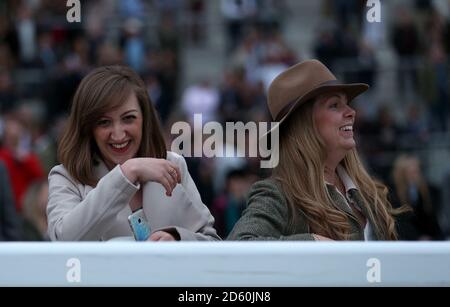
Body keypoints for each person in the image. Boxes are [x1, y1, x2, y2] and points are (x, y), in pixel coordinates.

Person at [228, 59, 403, 241]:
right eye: (335, 105)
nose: (352, 112)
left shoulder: (368, 191)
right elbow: (239, 246)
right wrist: (312, 243)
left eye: (347, 103)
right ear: (304, 125)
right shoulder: (278, 195)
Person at [47, 65, 220, 241]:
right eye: (104, 122)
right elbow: (64, 242)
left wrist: (177, 239)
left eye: (128, 118)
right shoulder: (66, 177)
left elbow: (212, 243)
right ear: (87, 127)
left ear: (145, 119)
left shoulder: (173, 164)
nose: (118, 134)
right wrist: (127, 173)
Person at [391, 155, 443, 240]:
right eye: (411, 172)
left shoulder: (428, 191)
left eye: (416, 171)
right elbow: (400, 221)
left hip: (428, 238)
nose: (415, 175)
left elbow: (431, 218)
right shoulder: (394, 194)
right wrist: (417, 238)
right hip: (406, 239)